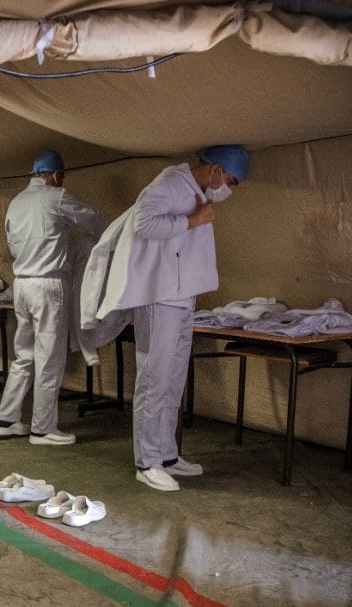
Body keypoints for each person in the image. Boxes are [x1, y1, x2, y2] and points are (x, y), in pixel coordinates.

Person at [108, 145, 250, 490]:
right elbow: (143, 223)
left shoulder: (195, 190)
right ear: (216, 169)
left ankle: (167, 454)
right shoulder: (171, 183)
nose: (229, 188)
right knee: (154, 379)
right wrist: (192, 220)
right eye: (231, 180)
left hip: (181, 299)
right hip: (160, 298)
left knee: (172, 380)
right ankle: (147, 461)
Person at [0, 150, 105, 446]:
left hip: (22, 285)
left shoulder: (15, 203)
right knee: (50, 359)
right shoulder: (57, 197)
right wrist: (105, 241)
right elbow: (90, 218)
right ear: (56, 175)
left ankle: (6, 419)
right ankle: (43, 429)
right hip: (48, 285)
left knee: (23, 355)